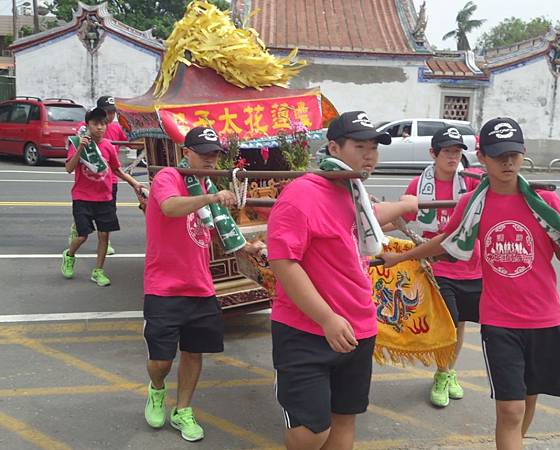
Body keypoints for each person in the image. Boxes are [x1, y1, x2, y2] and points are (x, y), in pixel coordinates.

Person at [382, 117, 560, 450]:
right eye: (498, 155)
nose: (507, 162)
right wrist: (401, 257)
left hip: (545, 319)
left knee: (528, 400)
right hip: (500, 322)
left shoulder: (544, 202)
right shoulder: (473, 204)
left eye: (513, 153)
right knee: (510, 409)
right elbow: (446, 240)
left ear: (523, 153)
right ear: (482, 157)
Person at [267, 111, 418, 450]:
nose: (369, 155)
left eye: (374, 148)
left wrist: (406, 204)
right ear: (334, 148)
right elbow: (283, 261)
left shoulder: (354, 191)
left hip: (358, 328)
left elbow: (369, 220)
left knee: (344, 419)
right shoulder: (302, 194)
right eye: (360, 146)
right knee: (310, 432)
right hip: (307, 331)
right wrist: (326, 318)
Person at [142, 126, 264, 442]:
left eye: (215, 154)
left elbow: (218, 230)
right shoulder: (170, 177)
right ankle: (157, 389)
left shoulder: (205, 184)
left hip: (200, 286)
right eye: (204, 153)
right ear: (187, 153)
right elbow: (169, 207)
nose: (210, 159)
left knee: (194, 352)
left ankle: (183, 409)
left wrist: (245, 247)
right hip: (164, 287)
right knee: (161, 361)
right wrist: (209, 197)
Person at [396, 126, 482, 408]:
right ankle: (444, 373)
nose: (453, 157)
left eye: (457, 151)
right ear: (433, 153)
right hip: (438, 268)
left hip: (471, 265)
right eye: (447, 151)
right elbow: (403, 218)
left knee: (459, 324)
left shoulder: (470, 181)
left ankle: (446, 371)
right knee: (448, 321)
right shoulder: (417, 186)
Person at [61, 107, 143, 286]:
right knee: (82, 235)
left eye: (103, 124)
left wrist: (134, 183)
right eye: (95, 124)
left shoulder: (108, 146)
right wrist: (81, 147)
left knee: (104, 236)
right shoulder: (77, 143)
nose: (100, 127)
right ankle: (69, 255)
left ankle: (98, 271)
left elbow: (116, 170)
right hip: (82, 197)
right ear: (87, 125)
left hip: (104, 198)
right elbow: (69, 168)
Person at [69, 95, 128, 255]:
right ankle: (79, 229)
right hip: (88, 181)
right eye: (107, 112)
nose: (110, 116)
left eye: (113, 112)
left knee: (107, 219)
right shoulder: (85, 128)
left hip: (110, 178)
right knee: (84, 231)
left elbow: (130, 139)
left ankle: (105, 242)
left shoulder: (115, 128)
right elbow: (73, 155)